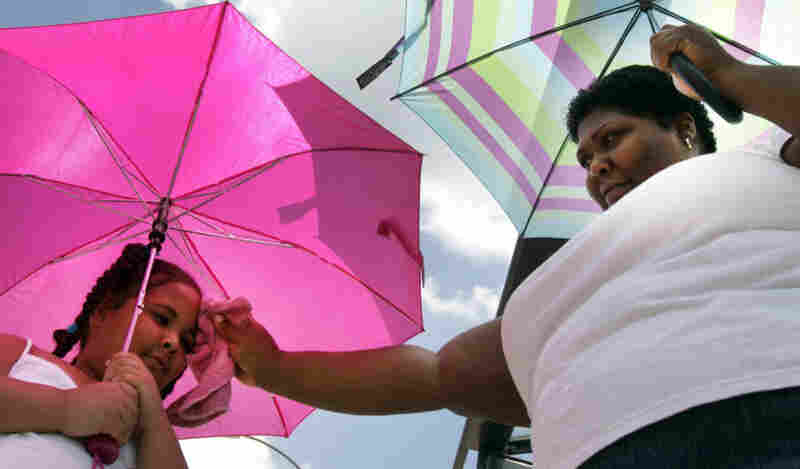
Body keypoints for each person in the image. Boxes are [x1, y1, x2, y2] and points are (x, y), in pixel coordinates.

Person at [213, 24, 800, 468]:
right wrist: (273, 368)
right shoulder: (578, 265)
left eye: (612, 139)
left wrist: (728, 77)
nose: (596, 167)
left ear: (685, 127)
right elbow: (435, 377)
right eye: (586, 159)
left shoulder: (767, 157)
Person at [0, 243, 201, 469]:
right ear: (103, 311)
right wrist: (66, 409)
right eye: (162, 319)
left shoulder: (149, 437)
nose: (173, 343)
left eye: (187, 343)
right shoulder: (22, 355)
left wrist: (154, 418)